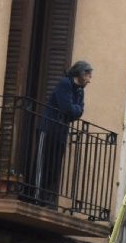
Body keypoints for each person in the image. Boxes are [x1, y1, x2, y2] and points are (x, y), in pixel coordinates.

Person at [34, 61, 92, 206]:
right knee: (43, 164)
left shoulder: (80, 90)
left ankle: (45, 199)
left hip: (61, 132)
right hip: (48, 129)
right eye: (88, 75)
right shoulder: (65, 84)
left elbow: (79, 112)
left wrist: (75, 110)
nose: (90, 80)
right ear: (81, 73)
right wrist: (75, 110)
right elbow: (67, 108)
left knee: (54, 167)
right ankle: (35, 197)